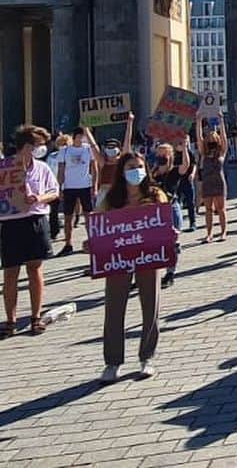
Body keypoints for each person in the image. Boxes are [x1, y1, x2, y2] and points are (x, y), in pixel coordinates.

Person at [97, 151, 174, 382]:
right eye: (131, 167)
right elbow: (98, 225)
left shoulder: (155, 194)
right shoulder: (111, 199)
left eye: (140, 166)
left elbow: (165, 222)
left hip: (148, 258)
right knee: (113, 307)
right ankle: (112, 362)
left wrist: (171, 234)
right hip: (118, 259)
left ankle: (146, 356)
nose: (136, 172)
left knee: (151, 305)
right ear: (122, 171)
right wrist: (91, 243)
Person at [1, 125, 60, 337]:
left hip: (35, 219)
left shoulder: (42, 168)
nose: (42, 148)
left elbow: (54, 191)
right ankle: (10, 320)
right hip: (11, 222)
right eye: (38, 145)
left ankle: (36, 317)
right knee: (10, 272)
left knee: (35, 268)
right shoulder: (4, 168)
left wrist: (39, 198)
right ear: (25, 146)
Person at [149, 141, 191, 288]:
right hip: (155, 211)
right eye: (158, 154)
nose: (161, 156)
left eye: (164, 154)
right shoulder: (153, 173)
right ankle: (149, 275)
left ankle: (170, 273)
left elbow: (185, 166)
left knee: (172, 244)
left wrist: (184, 148)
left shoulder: (173, 171)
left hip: (171, 208)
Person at [56, 126, 100, 256]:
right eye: (81, 136)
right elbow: (61, 170)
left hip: (85, 186)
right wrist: (60, 188)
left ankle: (91, 240)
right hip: (69, 187)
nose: (83, 139)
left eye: (84, 136)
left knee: (88, 215)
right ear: (75, 137)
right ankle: (68, 243)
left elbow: (94, 168)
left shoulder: (88, 149)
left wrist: (95, 186)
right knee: (68, 217)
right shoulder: (65, 151)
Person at [195, 112, 228, 242]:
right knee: (208, 209)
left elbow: (224, 137)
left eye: (214, 138)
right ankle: (209, 234)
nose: (211, 140)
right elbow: (198, 138)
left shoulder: (221, 152)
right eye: (209, 139)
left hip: (219, 182)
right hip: (207, 182)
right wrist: (198, 121)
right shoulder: (204, 152)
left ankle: (223, 231)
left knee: (221, 209)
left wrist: (221, 122)